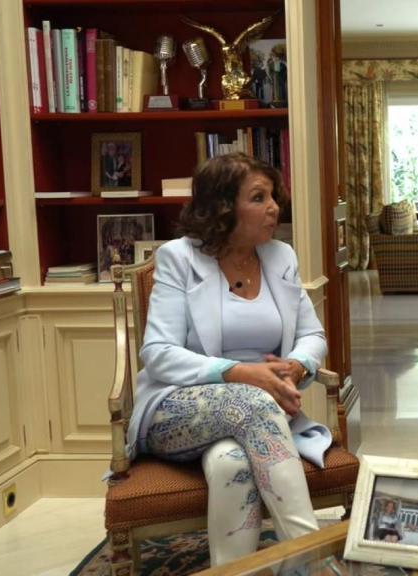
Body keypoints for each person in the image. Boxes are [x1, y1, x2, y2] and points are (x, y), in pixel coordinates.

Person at [126, 152, 330, 566]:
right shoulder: (178, 258)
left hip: (263, 409)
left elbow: (313, 334)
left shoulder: (281, 256)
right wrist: (239, 373)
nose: (274, 207)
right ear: (222, 207)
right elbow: (157, 353)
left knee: (229, 465)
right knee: (250, 401)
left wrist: (297, 365)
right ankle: (313, 560)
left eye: (273, 196)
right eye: (258, 198)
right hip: (179, 406)